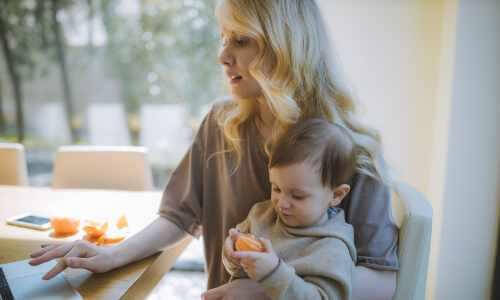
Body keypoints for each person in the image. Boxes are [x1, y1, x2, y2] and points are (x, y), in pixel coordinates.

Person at [29, 1, 399, 299]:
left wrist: (268, 289)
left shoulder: (349, 146)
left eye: (241, 40)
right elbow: (179, 216)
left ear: (285, 46)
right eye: (224, 38)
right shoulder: (222, 123)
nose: (223, 56)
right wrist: (112, 254)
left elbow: (383, 282)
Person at [222, 119, 358, 299]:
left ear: (336, 195)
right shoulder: (261, 215)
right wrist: (231, 256)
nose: (281, 203)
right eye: (276, 188)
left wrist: (273, 273)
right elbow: (236, 269)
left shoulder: (332, 248)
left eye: (298, 196)